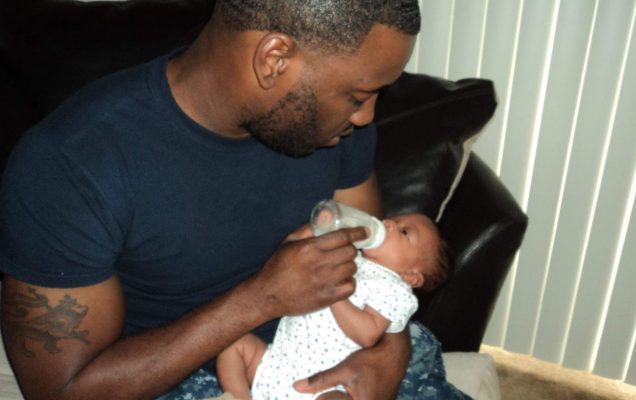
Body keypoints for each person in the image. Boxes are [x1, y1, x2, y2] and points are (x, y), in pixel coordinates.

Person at [0, 1, 468, 399]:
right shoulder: (70, 166)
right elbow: (65, 390)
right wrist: (261, 298)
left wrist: (387, 356)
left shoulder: (337, 130)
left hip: (335, 352)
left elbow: (376, 267)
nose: (366, 117)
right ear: (274, 59)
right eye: (358, 96)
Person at [216, 213, 448, 399]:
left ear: (412, 276)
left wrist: (336, 294)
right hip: (277, 362)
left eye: (404, 232)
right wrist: (314, 233)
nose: (388, 224)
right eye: (396, 219)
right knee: (232, 344)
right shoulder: (350, 256)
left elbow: (367, 334)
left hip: (322, 385)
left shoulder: (394, 290)